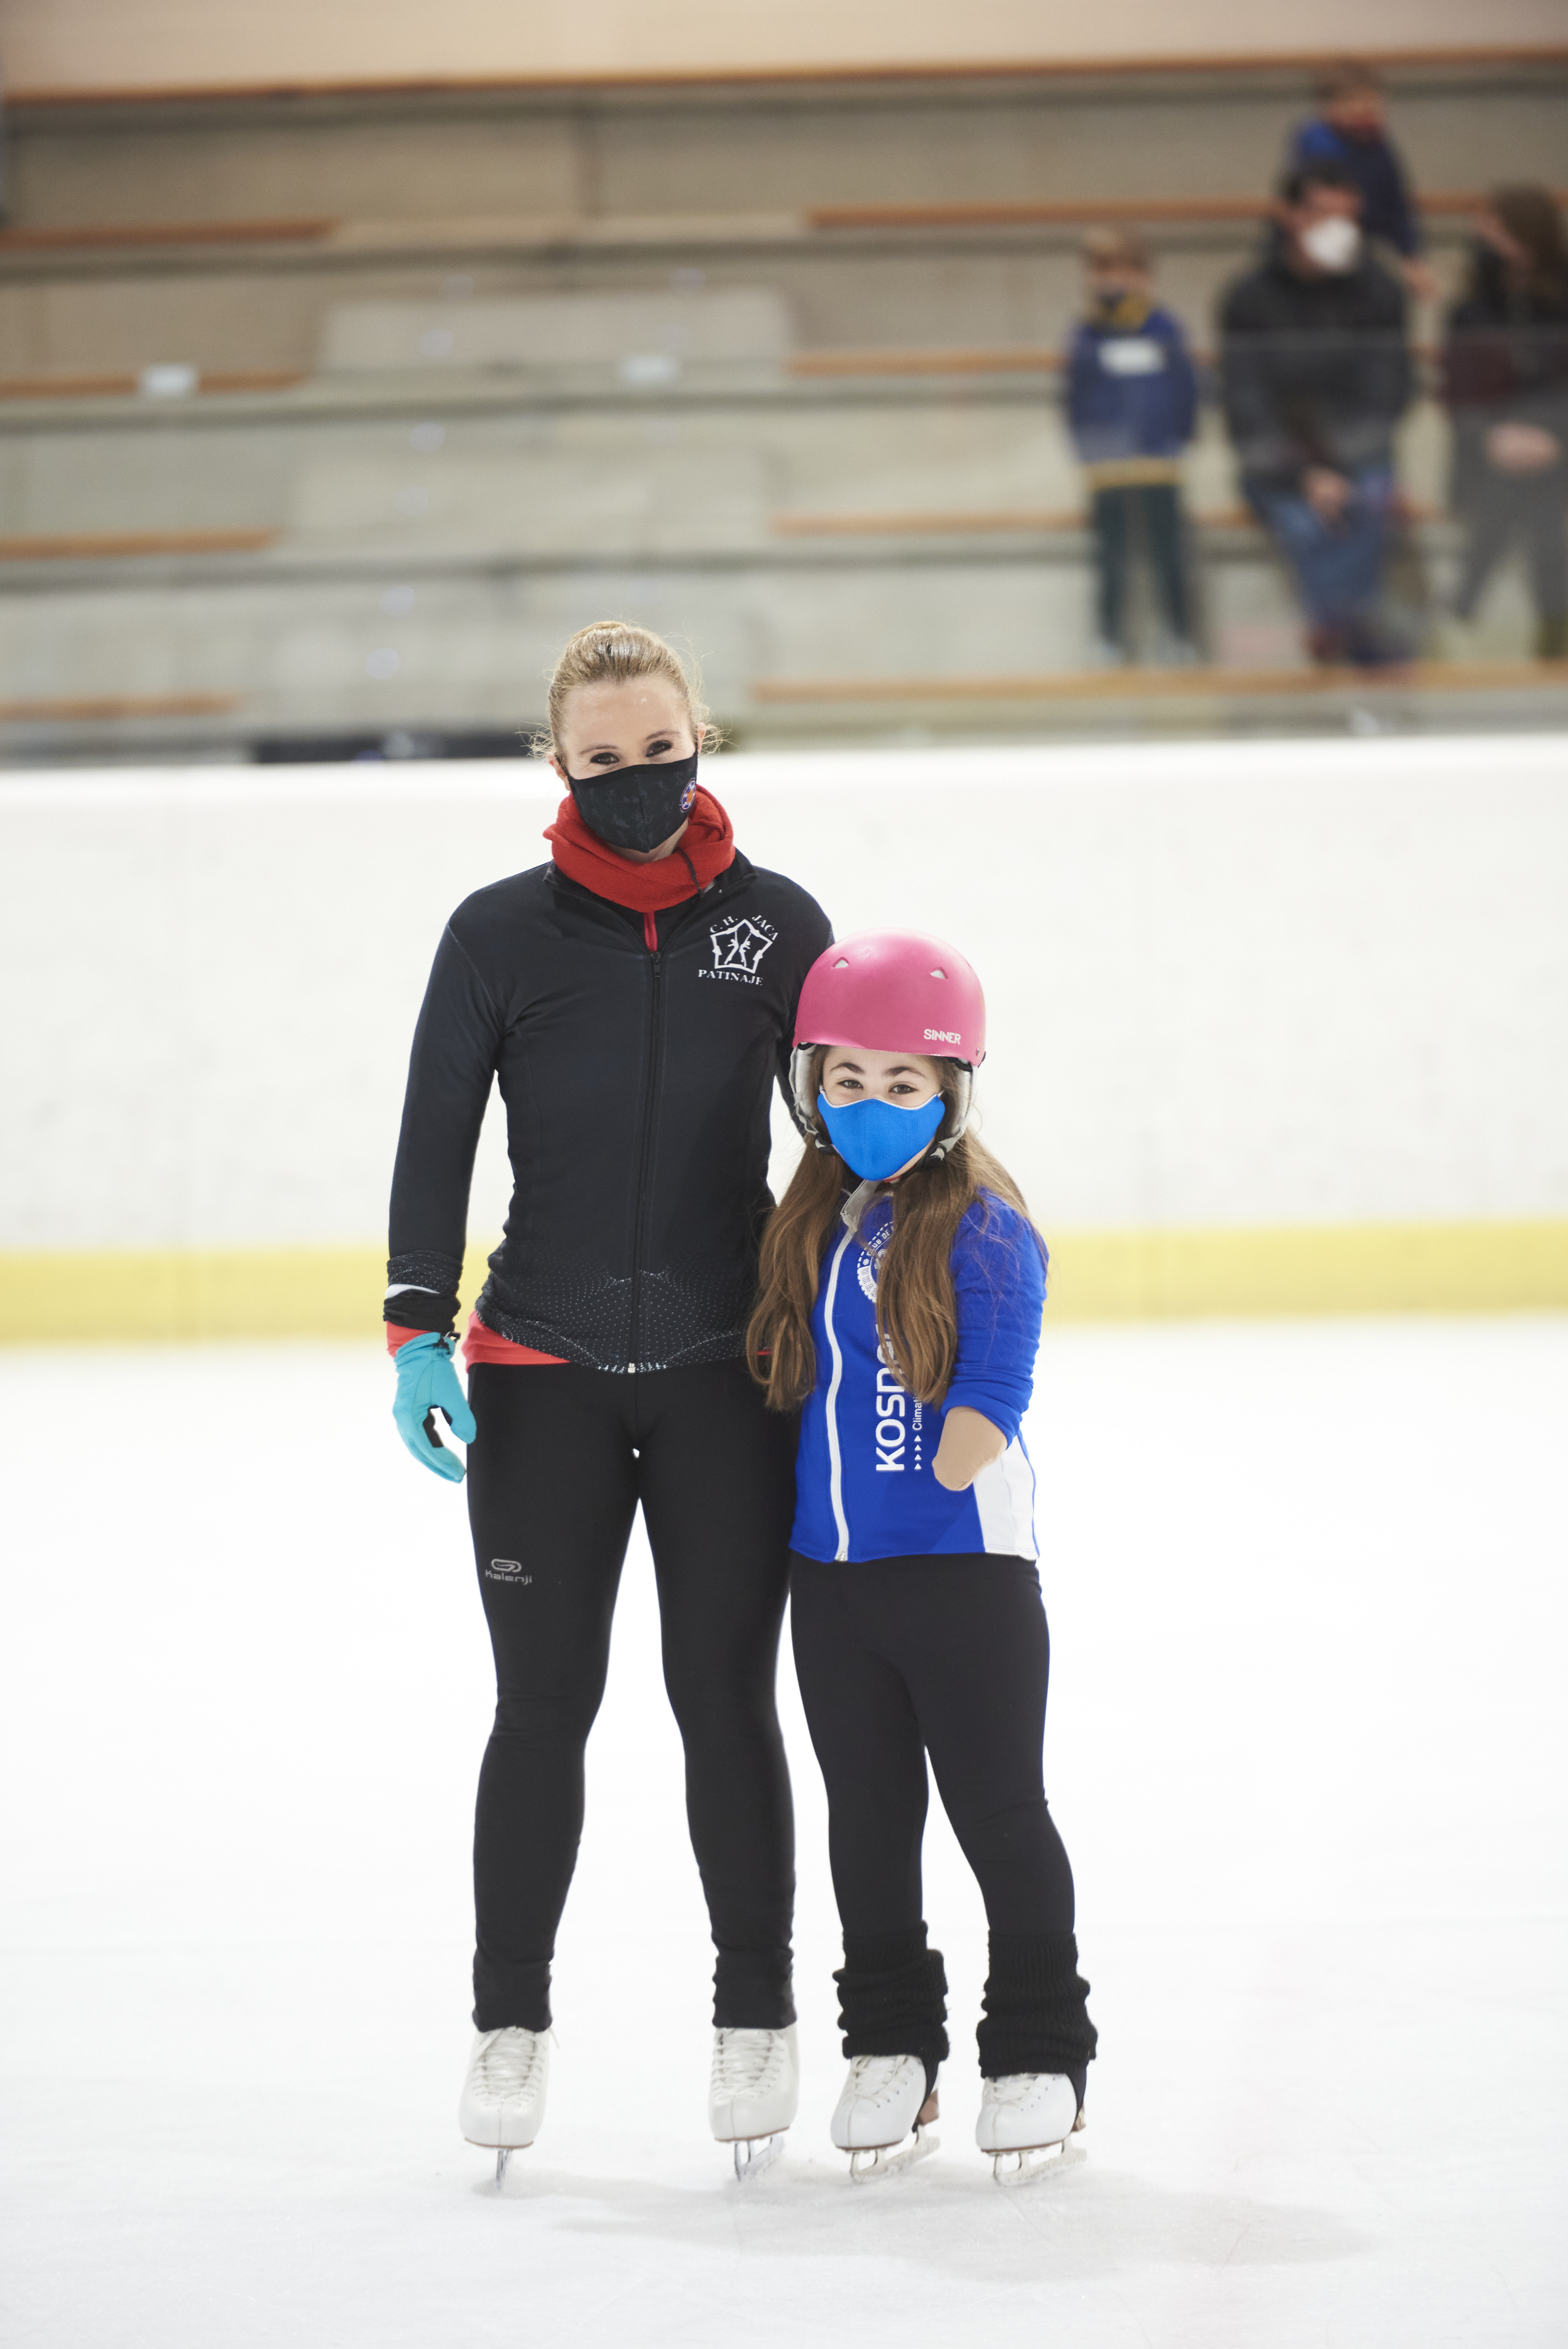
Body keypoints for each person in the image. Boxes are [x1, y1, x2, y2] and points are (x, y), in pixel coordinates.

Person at [385, 621, 832, 2178]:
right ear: (555, 764)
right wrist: (412, 1326)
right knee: (541, 1709)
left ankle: (755, 2012)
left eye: (660, 751)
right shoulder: (496, 934)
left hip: (729, 1376)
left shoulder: (776, 926)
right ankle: (509, 2019)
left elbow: (847, 1128)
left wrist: (880, 1293)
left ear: (699, 738)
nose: (638, 781)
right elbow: (435, 1134)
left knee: (724, 1701)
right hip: (538, 1379)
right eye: (603, 759)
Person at [748, 932, 1096, 2183]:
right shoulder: (811, 1224)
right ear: (811, 1088)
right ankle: (893, 2044)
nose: (875, 1106)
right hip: (831, 1586)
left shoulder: (987, 1228)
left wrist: (954, 1418)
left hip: (963, 1577)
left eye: (906, 1085)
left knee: (998, 1811)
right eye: (850, 1081)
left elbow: (990, 1396)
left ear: (951, 1094)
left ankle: (1040, 2047)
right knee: (869, 1821)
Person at [1220, 160, 1413, 666]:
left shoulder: (1380, 291)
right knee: (1309, 524)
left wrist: (1339, 467)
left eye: (1347, 216)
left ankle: (1330, 634)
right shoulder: (1248, 297)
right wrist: (1307, 472)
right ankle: (1357, 643)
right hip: (1278, 464)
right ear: (1288, 215)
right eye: (1323, 214)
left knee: (1366, 504)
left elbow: (1387, 390)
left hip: (1359, 459)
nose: (1338, 229)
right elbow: (1246, 401)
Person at [1442, 185, 1568, 662]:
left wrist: (1549, 438)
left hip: (1556, 450)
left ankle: (1462, 606)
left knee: (1528, 502)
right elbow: (1457, 393)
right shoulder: (1470, 309)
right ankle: (1554, 631)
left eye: (1494, 230)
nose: (1483, 240)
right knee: (1530, 509)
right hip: (1487, 454)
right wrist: (1494, 437)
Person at [1065, 226, 1200, 666]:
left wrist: (1177, 439)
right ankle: (1109, 638)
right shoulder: (1086, 334)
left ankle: (1180, 635)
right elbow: (1075, 397)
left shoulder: (1163, 328)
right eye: (1101, 271)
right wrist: (1087, 448)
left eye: (1121, 271)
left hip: (1158, 461)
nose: (1111, 283)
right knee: (1111, 557)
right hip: (1107, 465)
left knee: (1168, 553)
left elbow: (1185, 389)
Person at [1286, 62, 1435, 302]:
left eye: (1370, 102)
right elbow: (1323, 205)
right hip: (1326, 247)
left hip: (1367, 250)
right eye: (1351, 103)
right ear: (1326, 107)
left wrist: (1412, 258)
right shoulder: (1316, 143)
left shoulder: (1379, 146)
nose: (1362, 110)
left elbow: (1396, 204)